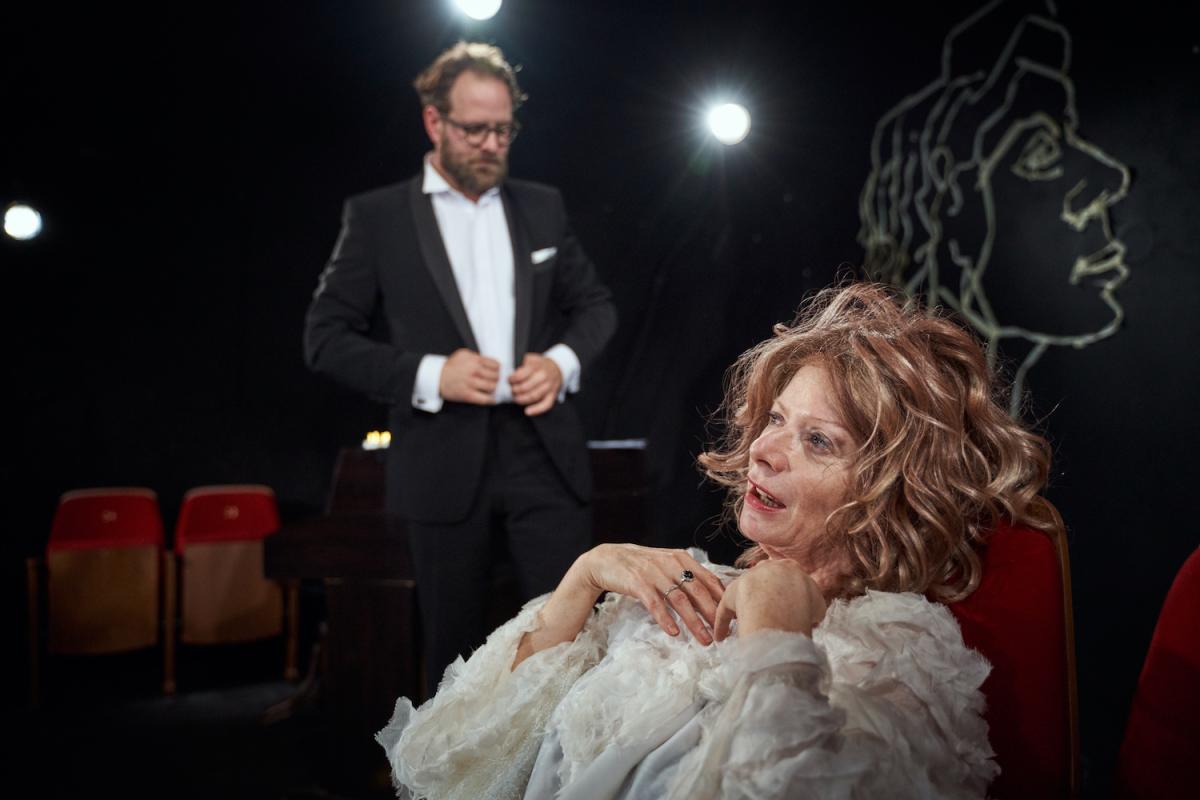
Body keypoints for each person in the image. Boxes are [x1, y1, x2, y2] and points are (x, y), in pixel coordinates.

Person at [376, 280, 1064, 799]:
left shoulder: (900, 653)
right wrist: (583, 579)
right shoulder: (679, 588)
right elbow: (449, 762)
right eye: (775, 419)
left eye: (819, 441)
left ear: (892, 489)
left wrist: (776, 640)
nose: (764, 449)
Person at [304, 41, 617, 698]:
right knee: (455, 656)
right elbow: (324, 339)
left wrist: (559, 363)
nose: (492, 144)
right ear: (434, 122)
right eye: (475, 129)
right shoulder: (378, 217)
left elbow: (596, 307)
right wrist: (431, 375)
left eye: (503, 129)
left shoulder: (542, 206)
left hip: (542, 452)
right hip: (440, 456)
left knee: (570, 645)